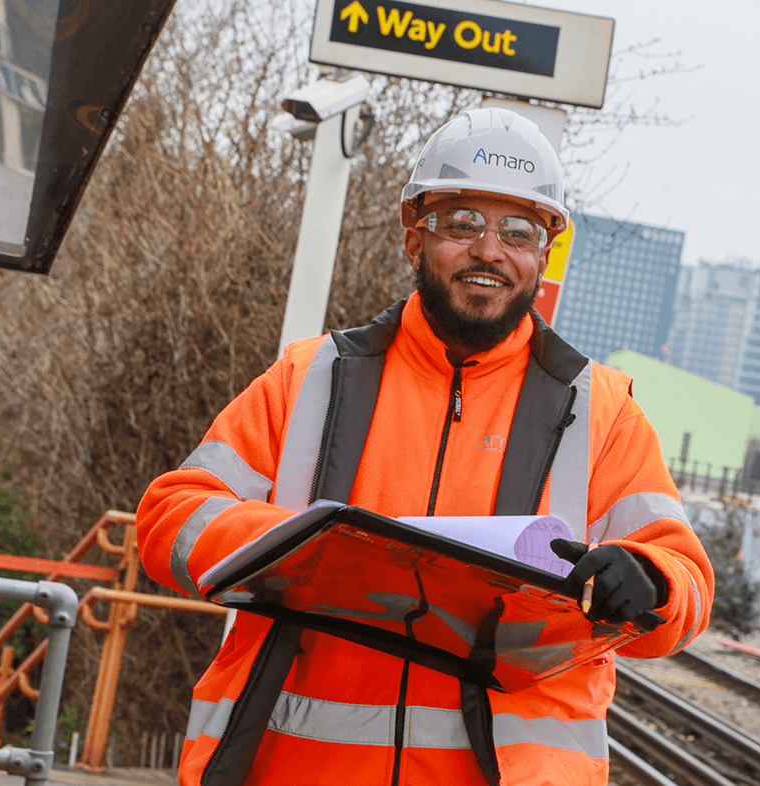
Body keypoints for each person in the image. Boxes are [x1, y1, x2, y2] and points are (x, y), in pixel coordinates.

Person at [135, 107, 714, 786]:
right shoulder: (313, 379)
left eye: (518, 232)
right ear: (415, 238)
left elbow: (688, 582)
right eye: (464, 223)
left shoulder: (601, 411)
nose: (490, 251)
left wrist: (651, 579)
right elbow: (171, 517)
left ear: (542, 255)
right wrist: (306, 548)